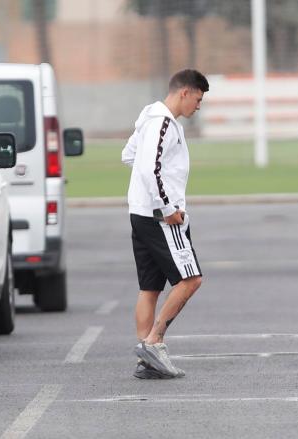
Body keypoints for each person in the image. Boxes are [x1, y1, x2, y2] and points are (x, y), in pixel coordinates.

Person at [121, 69, 209, 379]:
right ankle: (154, 341)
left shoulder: (150, 119)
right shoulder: (162, 123)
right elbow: (146, 167)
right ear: (184, 92)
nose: (198, 106)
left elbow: (129, 155)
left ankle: (147, 362)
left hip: (141, 213)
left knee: (150, 288)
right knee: (191, 279)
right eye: (198, 99)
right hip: (159, 217)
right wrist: (167, 207)